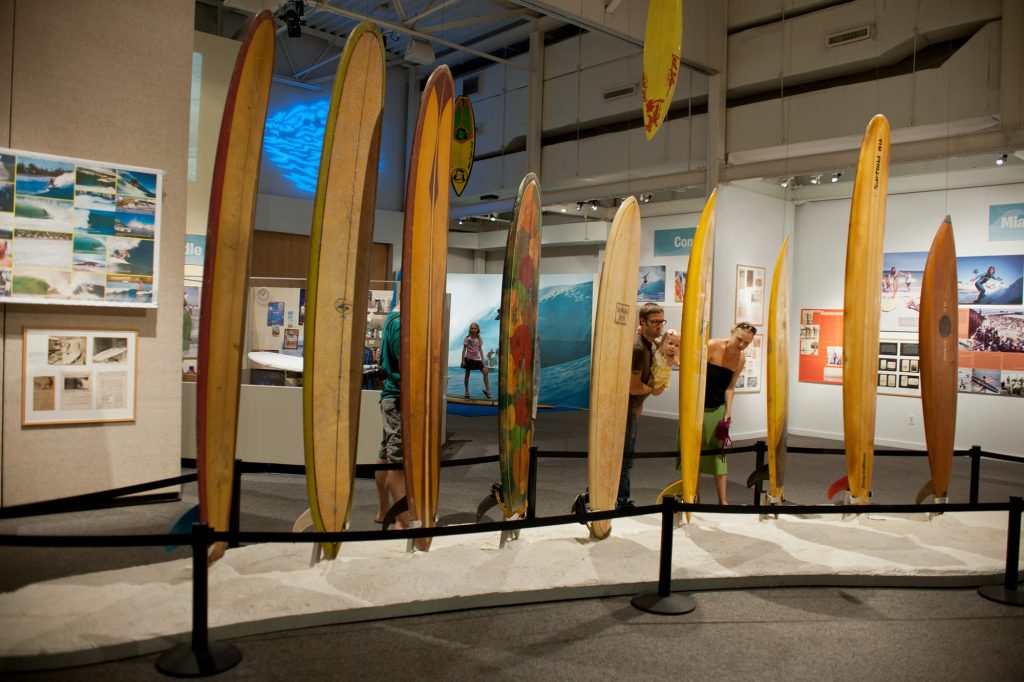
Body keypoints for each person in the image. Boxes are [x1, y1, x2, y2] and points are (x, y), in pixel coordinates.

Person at [699, 322, 757, 505]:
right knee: (694, 455)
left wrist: (728, 412)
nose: (741, 345)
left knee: (719, 455)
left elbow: (730, 387)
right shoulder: (712, 345)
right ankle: (694, 497)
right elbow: (697, 375)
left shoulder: (740, 359)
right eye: (739, 339)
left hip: (717, 408)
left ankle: (723, 500)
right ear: (732, 332)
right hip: (698, 408)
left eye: (746, 343)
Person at [617, 302, 666, 508]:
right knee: (625, 459)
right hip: (626, 409)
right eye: (655, 322)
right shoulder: (638, 348)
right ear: (643, 322)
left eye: (662, 322)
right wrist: (653, 389)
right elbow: (634, 387)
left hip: (632, 409)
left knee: (624, 457)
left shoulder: (648, 343)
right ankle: (620, 501)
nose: (659, 326)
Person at [375, 303, 408, 529]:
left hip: (391, 397)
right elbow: (404, 361)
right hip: (397, 398)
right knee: (397, 460)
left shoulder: (391, 319)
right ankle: (402, 520)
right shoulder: (399, 322)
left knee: (386, 453)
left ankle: (384, 510)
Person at [460, 322, 491, 399]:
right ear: (470, 329)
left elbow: (480, 349)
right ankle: (466, 392)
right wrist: (462, 360)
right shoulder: (467, 338)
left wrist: (483, 359)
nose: (473, 330)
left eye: (475, 328)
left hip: (477, 359)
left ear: (477, 329)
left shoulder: (479, 339)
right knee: (467, 374)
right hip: (468, 359)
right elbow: (464, 349)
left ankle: (487, 390)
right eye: (472, 328)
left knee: (485, 371)